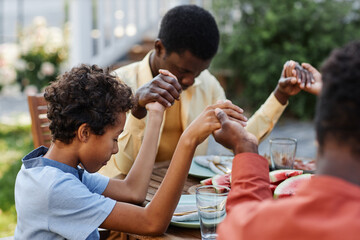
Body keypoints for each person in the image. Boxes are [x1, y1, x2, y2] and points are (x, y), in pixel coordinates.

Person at [14, 64, 244, 239]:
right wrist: (188, 141)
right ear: (84, 133)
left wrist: (155, 115)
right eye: (114, 139)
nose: (115, 149)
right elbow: (152, 223)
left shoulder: (58, 171)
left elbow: (133, 191)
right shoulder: (55, 189)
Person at [107, 4, 314, 175]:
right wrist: (137, 109)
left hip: (185, 195)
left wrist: (280, 95)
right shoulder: (119, 84)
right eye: (183, 70)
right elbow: (123, 168)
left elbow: (242, 136)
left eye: (198, 72)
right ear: (160, 48)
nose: (189, 80)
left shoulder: (206, 84)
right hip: (129, 200)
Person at [214, 40, 360, 239]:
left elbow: (241, 226)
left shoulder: (269, 228)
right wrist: (330, 94)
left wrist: (244, 148)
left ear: (318, 136)